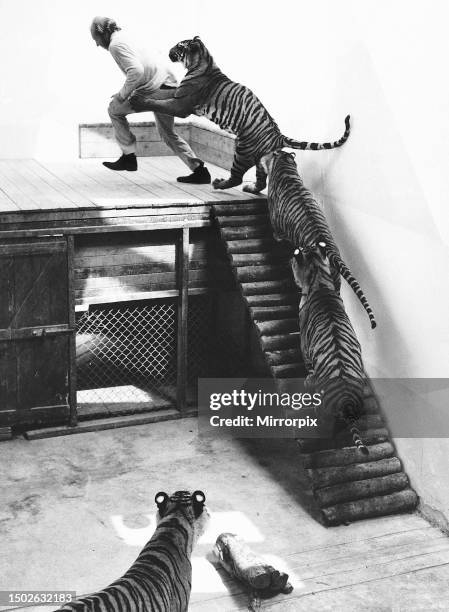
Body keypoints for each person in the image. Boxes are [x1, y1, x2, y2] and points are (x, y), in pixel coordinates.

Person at [90, 16, 211, 183]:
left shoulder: (115, 45)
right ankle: (200, 171)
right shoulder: (126, 36)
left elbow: (137, 72)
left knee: (114, 109)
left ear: (102, 33)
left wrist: (121, 95)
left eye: (95, 38)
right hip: (169, 85)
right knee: (167, 133)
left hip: (155, 89)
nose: (97, 44)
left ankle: (129, 157)